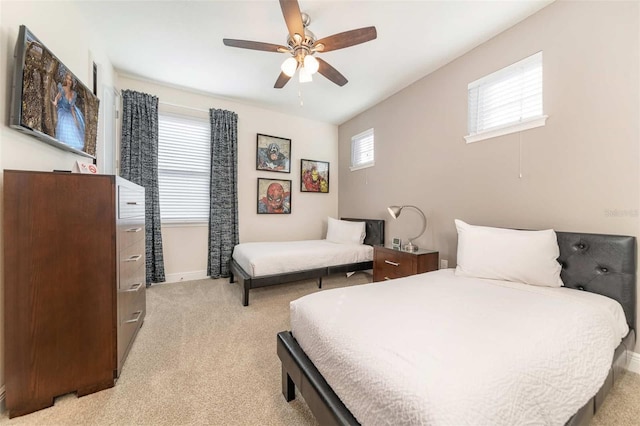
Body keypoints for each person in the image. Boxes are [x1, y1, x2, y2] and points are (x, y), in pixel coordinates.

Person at [52, 72, 85, 150]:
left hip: (69, 111)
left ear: (72, 82)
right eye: (67, 79)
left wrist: (75, 119)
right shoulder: (63, 88)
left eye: (70, 80)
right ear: (65, 79)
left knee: (73, 124)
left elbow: (72, 107)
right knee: (64, 123)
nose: (69, 81)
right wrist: (55, 102)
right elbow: (57, 97)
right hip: (62, 110)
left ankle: (73, 146)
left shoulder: (73, 93)